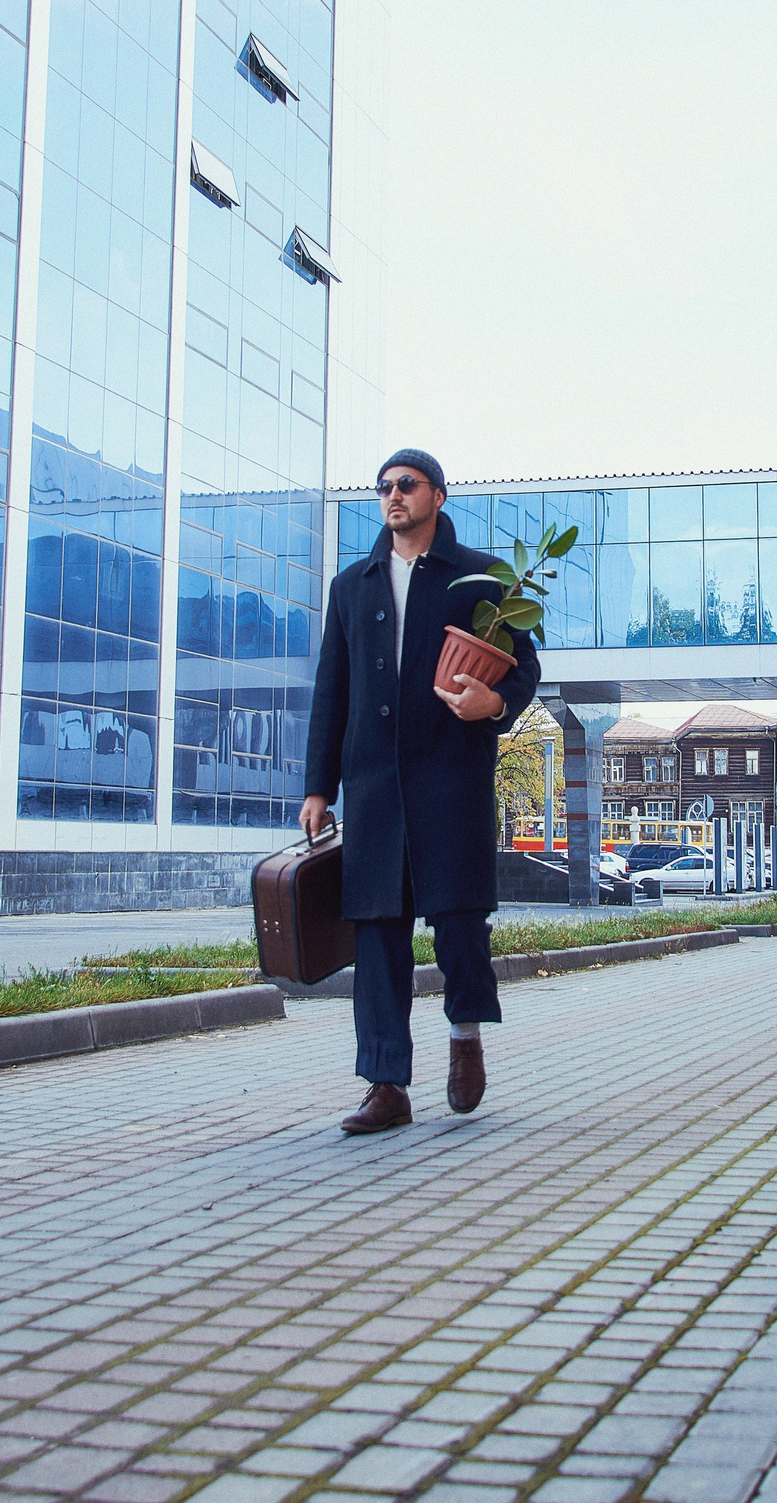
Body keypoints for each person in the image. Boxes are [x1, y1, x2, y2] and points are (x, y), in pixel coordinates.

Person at [303, 449, 540, 1135]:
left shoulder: (480, 578)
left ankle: (465, 1036)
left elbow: (524, 668)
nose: (392, 495)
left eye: (405, 484)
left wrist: (491, 703)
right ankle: (386, 1084)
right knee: (377, 933)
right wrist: (319, 787)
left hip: (450, 778)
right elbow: (331, 694)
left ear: (437, 494)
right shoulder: (352, 586)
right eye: (383, 488)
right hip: (373, 788)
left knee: (459, 923)